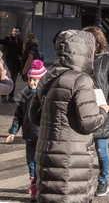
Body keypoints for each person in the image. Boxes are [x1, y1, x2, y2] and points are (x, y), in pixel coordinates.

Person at [30, 29, 107, 202]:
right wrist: (103, 110)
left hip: (47, 154)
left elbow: (34, 117)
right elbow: (88, 123)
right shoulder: (81, 80)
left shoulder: (48, 76)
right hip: (71, 159)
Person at [84, 26, 109, 198]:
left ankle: (103, 181)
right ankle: (82, 182)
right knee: (81, 153)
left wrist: (107, 104)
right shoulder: (80, 61)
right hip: (82, 112)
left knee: (101, 151)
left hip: (101, 113)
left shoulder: (108, 61)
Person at [5, 59, 45, 200]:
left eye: (36, 80)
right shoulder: (25, 94)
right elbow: (18, 115)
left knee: (42, 161)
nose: (33, 83)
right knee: (31, 161)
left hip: (43, 135)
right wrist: (12, 131)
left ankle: (39, 184)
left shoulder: (46, 95)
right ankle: (33, 182)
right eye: (30, 79)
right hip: (29, 134)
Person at [2, 27, 22, 103]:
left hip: (16, 64)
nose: (15, 33)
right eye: (14, 31)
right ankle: (4, 97)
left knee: (13, 81)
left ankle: (11, 96)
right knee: (6, 80)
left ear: (19, 32)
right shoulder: (8, 38)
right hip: (7, 63)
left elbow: (20, 52)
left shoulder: (20, 41)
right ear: (12, 31)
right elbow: (3, 42)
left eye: (17, 31)